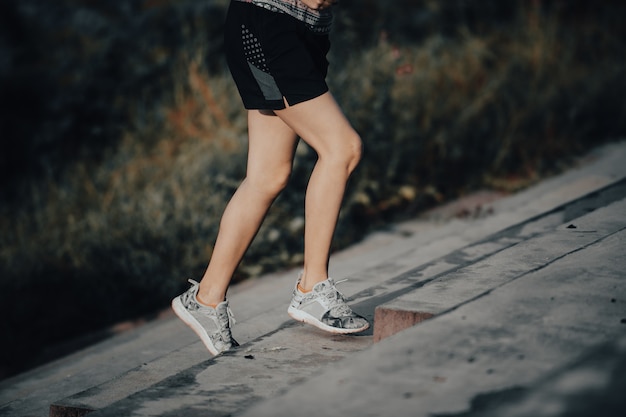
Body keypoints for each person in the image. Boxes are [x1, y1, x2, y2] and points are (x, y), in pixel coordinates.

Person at [171, 0, 369, 356]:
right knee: (343, 148)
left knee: (268, 175)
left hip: (307, 30)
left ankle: (205, 298)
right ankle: (312, 287)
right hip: (269, 22)